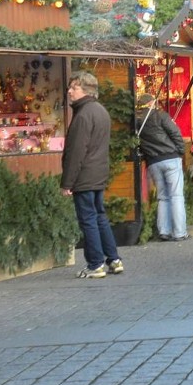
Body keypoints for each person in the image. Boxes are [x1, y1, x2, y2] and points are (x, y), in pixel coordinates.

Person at [61, 71, 123, 279]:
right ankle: (113, 259)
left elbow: (76, 151)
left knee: (88, 219)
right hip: (98, 173)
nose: (69, 91)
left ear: (86, 90)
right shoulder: (100, 110)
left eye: (74, 88)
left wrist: (67, 182)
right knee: (100, 217)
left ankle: (95, 264)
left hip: (85, 176)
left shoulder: (83, 114)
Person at [136, 93, 189, 242]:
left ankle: (164, 231)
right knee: (176, 195)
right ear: (152, 102)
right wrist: (180, 151)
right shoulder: (160, 115)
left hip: (153, 161)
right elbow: (175, 133)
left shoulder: (137, 121)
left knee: (162, 197)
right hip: (170, 157)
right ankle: (179, 232)